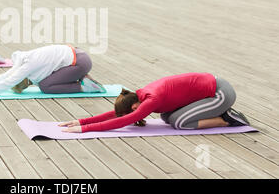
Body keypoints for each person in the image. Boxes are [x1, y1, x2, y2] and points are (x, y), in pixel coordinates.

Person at [59, 72, 250, 133]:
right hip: (208, 93)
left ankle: (226, 119)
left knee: (180, 123)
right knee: (167, 116)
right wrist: (82, 121)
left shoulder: (151, 99)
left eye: (131, 112)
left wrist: (85, 130)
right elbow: (118, 114)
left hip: (220, 93)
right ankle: (220, 114)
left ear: (134, 106)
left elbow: (122, 120)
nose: (132, 115)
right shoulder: (139, 96)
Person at [0, 44, 106, 97]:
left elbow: (8, 80)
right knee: (45, 83)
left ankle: (85, 87)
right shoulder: (24, 59)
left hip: (80, 62)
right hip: (78, 57)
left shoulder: (28, 66)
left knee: (46, 86)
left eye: (22, 86)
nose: (26, 86)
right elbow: (6, 75)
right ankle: (82, 78)